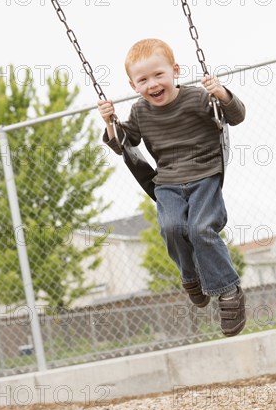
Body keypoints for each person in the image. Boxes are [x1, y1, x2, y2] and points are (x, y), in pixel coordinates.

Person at [98, 39, 246, 337]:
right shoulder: (140, 111)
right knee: (172, 228)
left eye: (158, 75)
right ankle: (190, 277)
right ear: (133, 84)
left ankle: (228, 291)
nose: (152, 84)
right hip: (167, 182)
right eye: (143, 79)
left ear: (175, 71)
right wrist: (110, 122)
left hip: (205, 175)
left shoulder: (197, 98)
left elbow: (236, 116)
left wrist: (222, 94)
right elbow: (125, 143)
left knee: (201, 229)